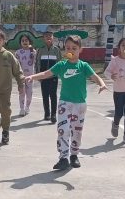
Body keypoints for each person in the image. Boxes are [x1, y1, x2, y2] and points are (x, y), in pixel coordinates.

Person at [25, 35, 108, 171]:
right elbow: (46, 73)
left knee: (77, 131)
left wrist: (102, 84)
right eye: (68, 48)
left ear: (80, 50)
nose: (71, 50)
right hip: (65, 103)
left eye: (74, 48)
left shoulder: (83, 66)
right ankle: (63, 158)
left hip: (80, 104)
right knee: (63, 130)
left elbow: (95, 76)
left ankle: (74, 155)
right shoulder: (62, 65)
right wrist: (32, 77)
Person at [37, 30, 63, 123]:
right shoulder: (40, 50)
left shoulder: (56, 50)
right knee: (45, 96)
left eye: (50, 36)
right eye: (46, 36)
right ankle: (47, 113)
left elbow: (60, 62)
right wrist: (38, 75)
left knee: (53, 96)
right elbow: (37, 63)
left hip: (53, 77)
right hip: (43, 77)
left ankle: (53, 115)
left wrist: (59, 74)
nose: (48, 37)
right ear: (43, 38)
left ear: (53, 38)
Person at [14, 34, 37, 117]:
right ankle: (21, 109)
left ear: (29, 42)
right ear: (20, 42)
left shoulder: (33, 51)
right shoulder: (18, 52)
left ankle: (27, 107)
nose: (24, 42)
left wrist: (31, 50)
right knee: (22, 93)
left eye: (26, 40)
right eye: (23, 40)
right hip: (21, 76)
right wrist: (17, 75)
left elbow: (35, 60)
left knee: (29, 94)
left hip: (30, 76)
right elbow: (16, 65)